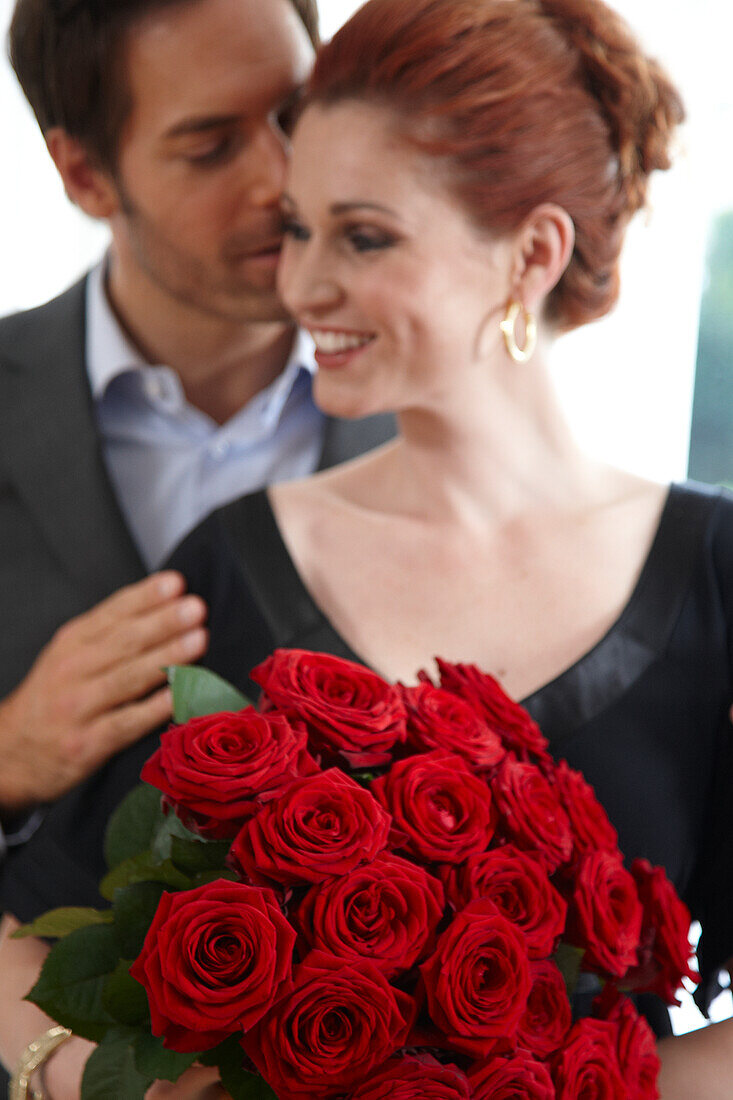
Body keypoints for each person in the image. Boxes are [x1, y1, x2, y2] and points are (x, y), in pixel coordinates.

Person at [1, 0, 732, 1095]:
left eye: (363, 234)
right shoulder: (233, 560)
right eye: (299, 228)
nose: (296, 284)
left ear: (532, 251)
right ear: (84, 173)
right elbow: (40, 935)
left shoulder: (712, 568)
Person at [0, 0, 393, 849]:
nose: (282, 178)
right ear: (84, 176)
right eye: (211, 146)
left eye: (297, 113)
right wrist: (7, 758)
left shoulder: (438, 412)